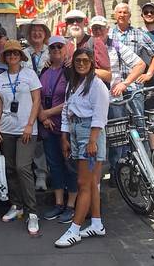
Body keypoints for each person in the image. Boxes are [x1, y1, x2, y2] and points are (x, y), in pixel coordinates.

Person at [55, 48, 109, 248]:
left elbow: (100, 115)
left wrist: (93, 140)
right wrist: (65, 136)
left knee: (83, 183)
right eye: (78, 60)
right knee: (92, 182)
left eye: (85, 60)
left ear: (92, 62)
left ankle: (75, 229)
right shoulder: (74, 84)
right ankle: (96, 223)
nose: (81, 64)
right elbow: (66, 110)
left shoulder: (97, 85)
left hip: (90, 132)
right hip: (77, 130)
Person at [0, 39, 41, 236]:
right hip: (6, 128)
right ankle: (16, 205)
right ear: (5, 58)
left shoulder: (29, 74)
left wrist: (30, 124)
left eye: (15, 54)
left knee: (23, 168)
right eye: (9, 54)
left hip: (25, 129)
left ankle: (32, 212)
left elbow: (36, 100)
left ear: (20, 57)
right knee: (11, 168)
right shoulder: (0, 78)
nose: (12, 56)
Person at [90, 15, 145, 182]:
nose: (98, 31)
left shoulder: (115, 45)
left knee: (117, 139)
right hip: (91, 102)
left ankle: (116, 171)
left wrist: (125, 83)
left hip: (113, 100)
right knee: (94, 139)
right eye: (94, 28)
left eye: (101, 28)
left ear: (107, 29)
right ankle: (94, 175)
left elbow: (140, 64)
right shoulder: (88, 46)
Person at [38, 36, 77, 222]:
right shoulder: (45, 70)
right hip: (48, 126)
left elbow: (71, 100)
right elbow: (36, 94)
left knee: (69, 165)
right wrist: (42, 116)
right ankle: (59, 203)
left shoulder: (70, 71)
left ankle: (71, 205)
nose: (56, 50)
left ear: (65, 49)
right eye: (52, 47)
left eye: (59, 46)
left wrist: (46, 113)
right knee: (54, 165)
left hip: (65, 127)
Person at [109, 3, 154, 135]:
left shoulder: (139, 34)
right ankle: (124, 153)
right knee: (117, 124)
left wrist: (149, 74)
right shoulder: (108, 34)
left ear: (129, 15)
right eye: (119, 12)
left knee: (139, 122)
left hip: (133, 86)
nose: (122, 15)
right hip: (114, 87)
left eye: (125, 12)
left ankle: (143, 152)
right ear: (115, 15)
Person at [23, 19, 50, 191]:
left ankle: (47, 173)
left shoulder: (52, 51)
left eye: (40, 30)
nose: (37, 33)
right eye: (34, 30)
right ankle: (38, 173)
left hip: (48, 101)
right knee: (35, 139)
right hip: (29, 101)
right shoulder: (23, 53)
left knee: (48, 138)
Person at [63, 9, 111, 85]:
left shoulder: (95, 42)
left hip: (90, 92)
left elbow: (108, 75)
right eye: (71, 21)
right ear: (67, 24)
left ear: (84, 23)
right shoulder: (63, 45)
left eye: (79, 20)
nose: (75, 23)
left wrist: (83, 68)